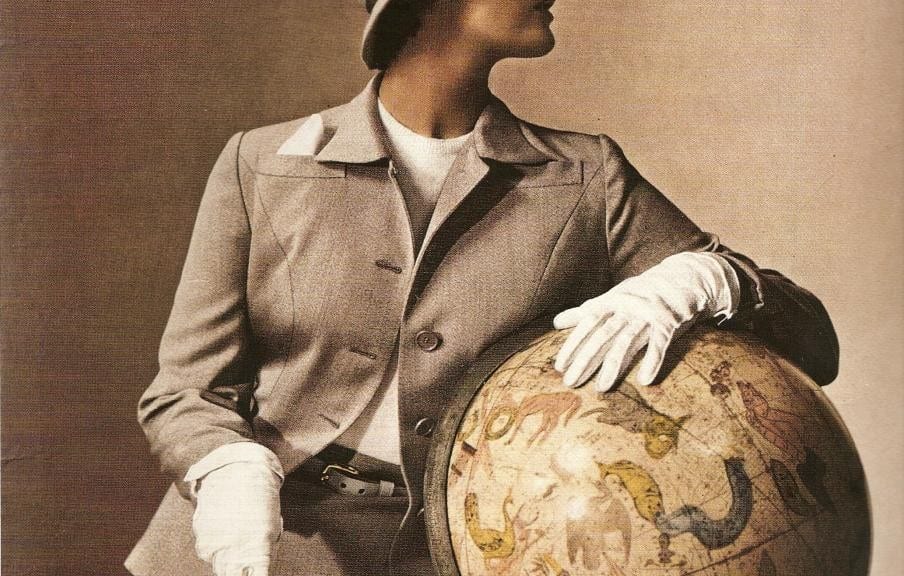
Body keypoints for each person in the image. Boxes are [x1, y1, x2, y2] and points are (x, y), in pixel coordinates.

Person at [126, 1, 839, 575]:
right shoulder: (261, 164)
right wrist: (224, 466)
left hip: (466, 547)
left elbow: (813, 342)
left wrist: (709, 279)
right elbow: (184, 390)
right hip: (252, 544)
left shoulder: (584, 176)